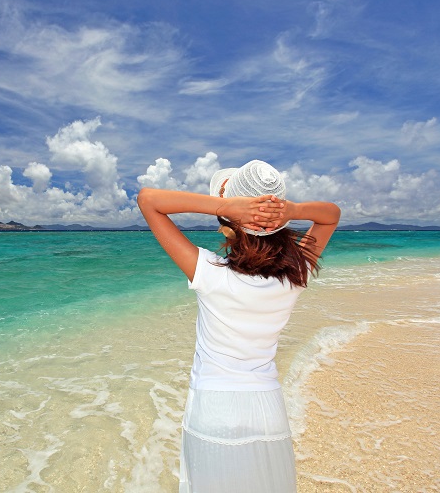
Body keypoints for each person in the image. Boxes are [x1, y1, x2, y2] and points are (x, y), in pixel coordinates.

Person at [137, 159, 341, 492]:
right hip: (267, 408)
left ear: (233, 217)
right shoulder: (296, 273)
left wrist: (223, 206)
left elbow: (148, 200)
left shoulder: (209, 271)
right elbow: (331, 214)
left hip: (214, 409)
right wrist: (292, 210)